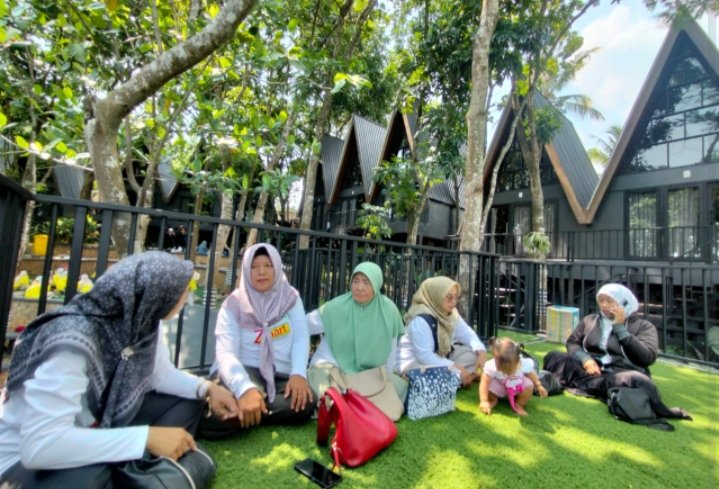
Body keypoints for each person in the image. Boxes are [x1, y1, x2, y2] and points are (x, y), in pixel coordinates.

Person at [0, 251, 237, 488]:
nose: (186, 297)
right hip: (25, 463)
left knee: (188, 402)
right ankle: (133, 466)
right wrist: (145, 438)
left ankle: (131, 463)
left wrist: (207, 388)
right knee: (91, 476)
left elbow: (160, 375)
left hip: (102, 425)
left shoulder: (142, 325)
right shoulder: (73, 339)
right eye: (182, 290)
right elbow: (41, 446)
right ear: (156, 294)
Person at [200, 243, 314, 439]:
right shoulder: (233, 304)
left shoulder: (291, 298)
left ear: (277, 267)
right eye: (254, 266)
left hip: (279, 374)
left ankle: (249, 411)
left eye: (268, 265)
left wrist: (298, 374)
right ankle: (252, 406)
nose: (261, 272)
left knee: (306, 402)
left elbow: (300, 337)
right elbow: (226, 355)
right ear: (246, 270)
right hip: (242, 370)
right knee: (213, 414)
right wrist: (245, 389)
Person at [543, 283, 692, 420]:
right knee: (554, 357)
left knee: (638, 380)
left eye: (609, 301)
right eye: (601, 300)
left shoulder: (644, 326)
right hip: (590, 371)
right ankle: (599, 388)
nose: (604, 305)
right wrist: (585, 359)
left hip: (619, 374)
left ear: (624, 303)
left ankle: (585, 385)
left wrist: (620, 328)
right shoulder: (590, 320)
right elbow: (572, 342)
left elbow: (647, 357)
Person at [306, 262, 407, 402]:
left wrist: (386, 377)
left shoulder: (388, 311)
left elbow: (391, 349)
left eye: (366, 282)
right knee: (326, 394)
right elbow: (303, 326)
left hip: (368, 372)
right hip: (331, 365)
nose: (359, 287)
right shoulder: (335, 307)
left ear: (376, 284)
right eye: (355, 281)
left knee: (398, 390)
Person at [397, 276, 487, 388]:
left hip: (441, 359)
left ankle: (461, 377)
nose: (454, 302)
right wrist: (455, 366)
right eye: (449, 297)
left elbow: (467, 334)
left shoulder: (451, 314)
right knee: (440, 374)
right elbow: (425, 357)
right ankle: (462, 377)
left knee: (473, 354)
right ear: (436, 296)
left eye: (455, 297)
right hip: (415, 364)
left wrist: (481, 352)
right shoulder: (420, 320)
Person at [479, 337, 547, 417]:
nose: (507, 373)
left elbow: (531, 373)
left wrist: (538, 385)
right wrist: (484, 400)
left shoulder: (523, 363)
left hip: (517, 385)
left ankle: (519, 404)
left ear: (517, 361)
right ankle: (493, 400)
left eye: (510, 370)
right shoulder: (492, 366)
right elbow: (485, 382)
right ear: (495, 360)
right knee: (489, 386)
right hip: (500, 386)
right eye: (502, 370)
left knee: (529, 385)